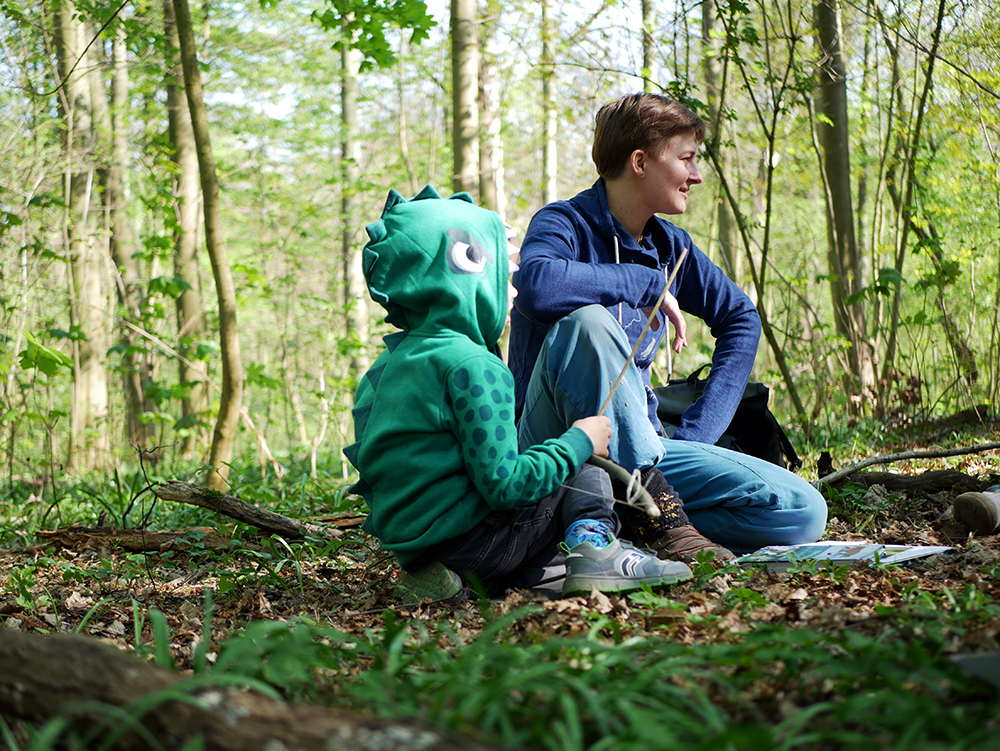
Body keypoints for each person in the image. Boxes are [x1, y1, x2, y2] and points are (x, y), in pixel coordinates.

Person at [508, 93, 827, 561]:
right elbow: (536, 284)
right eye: (686, 160)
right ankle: (651, 517)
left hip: (643, 449)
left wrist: (697, 436)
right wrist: (640, 282)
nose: (696, 176)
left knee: (801, 510)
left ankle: (630, 525)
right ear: (640, 162)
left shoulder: (671, 246)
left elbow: (740, 319)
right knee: (590, 323)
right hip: (550, 448)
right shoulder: (565, 223)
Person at [344, 185, 692, 603]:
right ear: (464, 272)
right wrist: (579, 441)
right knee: (581, 455)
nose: (513, 290)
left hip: (424, 550)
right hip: (476, 542)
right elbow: (506, 487)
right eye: (503, 277)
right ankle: (597, 550)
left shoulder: (392, 364)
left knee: (544, 516)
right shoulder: (472, 365)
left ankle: (475, 579)